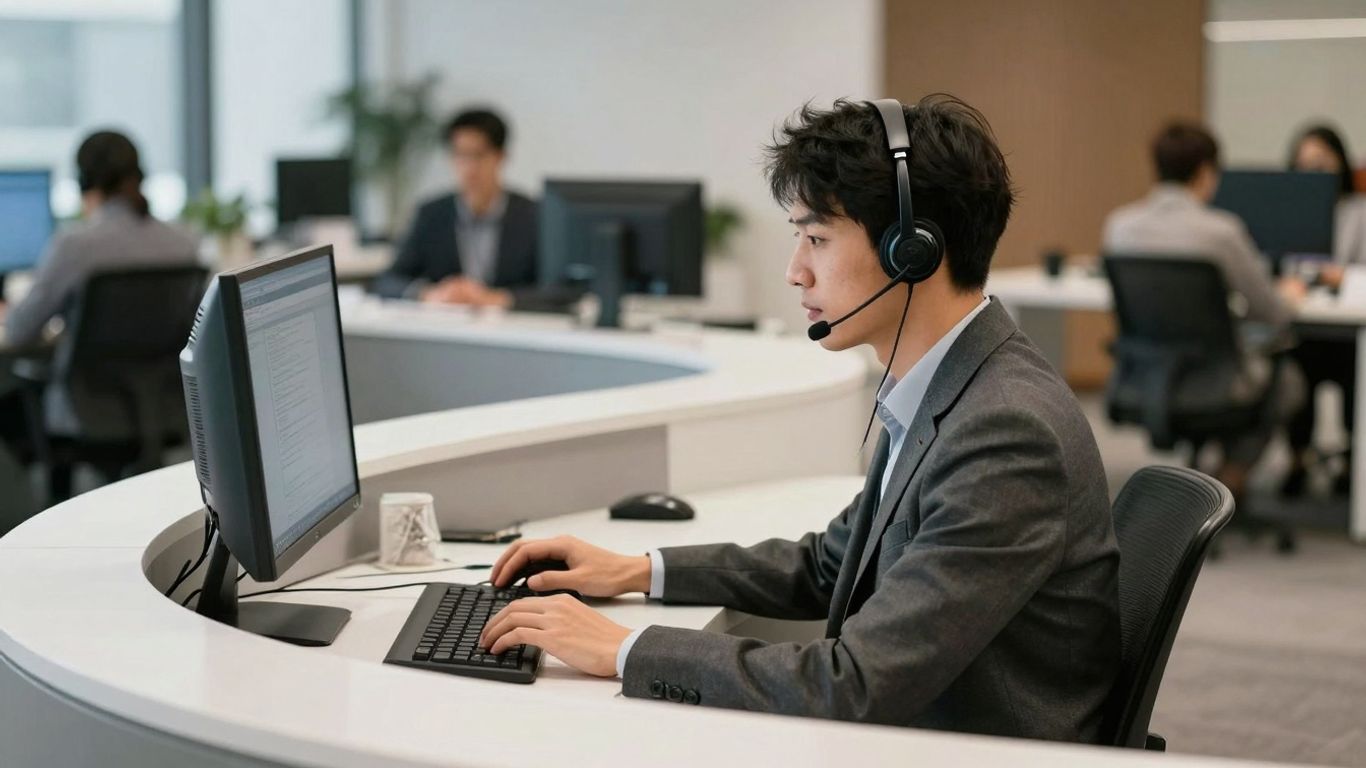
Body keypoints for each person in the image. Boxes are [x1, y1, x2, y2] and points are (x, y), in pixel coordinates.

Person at [478, 95, 1122, 741]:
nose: (794, 271)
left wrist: (622, 648)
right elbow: (829, 565)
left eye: (816, 238)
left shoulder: (1005, 432)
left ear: (913, 250)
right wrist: (639, 570)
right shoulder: (948, 386)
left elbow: (853, 686)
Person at [1102, 122, 1305, 503]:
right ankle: (1227, 483)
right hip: (1214, 379)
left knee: (1257, 377)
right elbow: (1272, 313)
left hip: (1145, 377)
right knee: (1287, 381)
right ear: (1206, 172)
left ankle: (1202, 489)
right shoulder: (1221, 232)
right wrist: (1290, 293)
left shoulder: (1119, 226)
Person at [3, 130, 199, 436]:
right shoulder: (184, 243)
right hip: (164, 405)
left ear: (84, 182)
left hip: (87, 410)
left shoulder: (74, 246)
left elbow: (19, 330)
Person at [371, 108, 538, 307]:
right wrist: (428, 293)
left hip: (513, 332)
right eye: (460, 155)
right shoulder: (431, 214)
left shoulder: (533, 215)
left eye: (478, 155)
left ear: (501, 157)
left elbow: (561, 289)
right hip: (449, 330)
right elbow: (388, 280)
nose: (469, 168)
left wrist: (499, 298)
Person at [1282, 124, 1364, 496]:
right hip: (1304, 323)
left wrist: (1341, 276)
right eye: (1305, 165)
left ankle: (1351, 462)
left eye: (1322, 163)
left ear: (1341, 164)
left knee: (1355, 376)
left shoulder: (1359, 210)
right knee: (1291, 365)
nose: (1313, 173)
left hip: (1350, 329)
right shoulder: (1287, 211)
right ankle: (1297, 459)